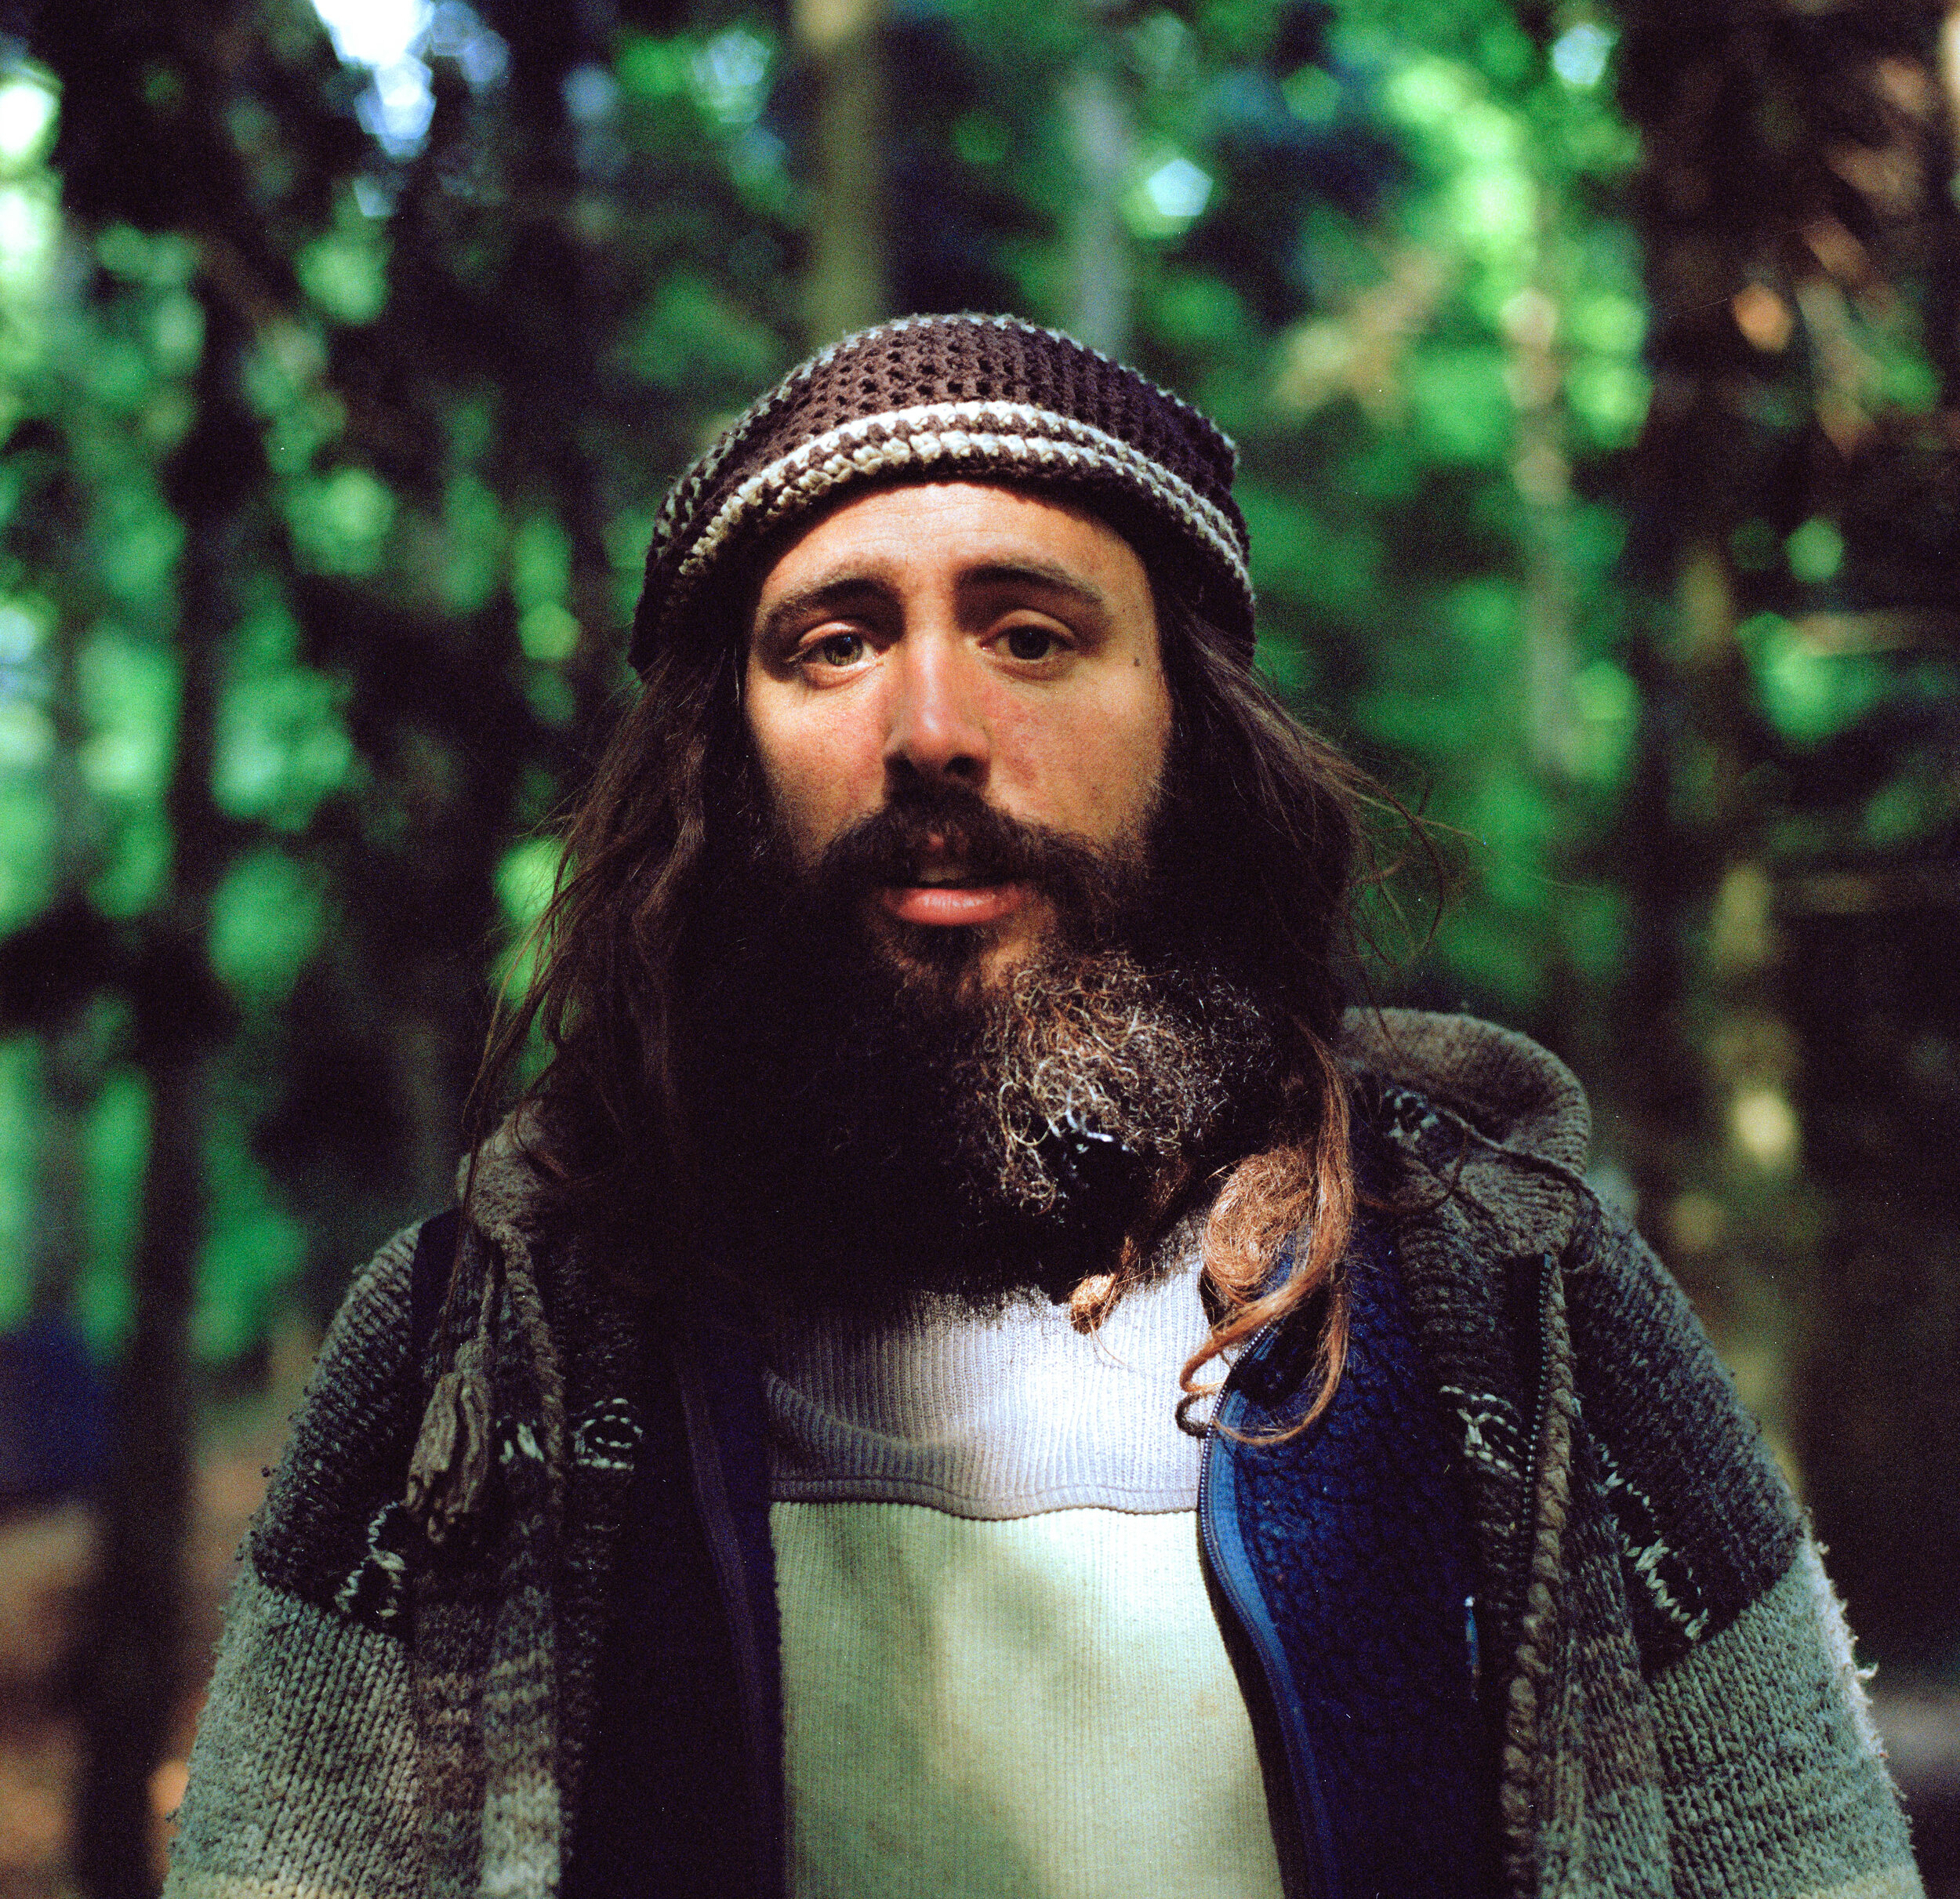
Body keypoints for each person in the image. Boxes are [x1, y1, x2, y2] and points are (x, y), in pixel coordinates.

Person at [165, 314, 1921, 1899]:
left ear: (1190, 728)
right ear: (720, 761)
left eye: (1029, 632)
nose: (932, 725)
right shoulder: (482, 1344)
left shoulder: (1524, 1316)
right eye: (833, 645)